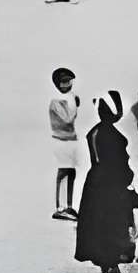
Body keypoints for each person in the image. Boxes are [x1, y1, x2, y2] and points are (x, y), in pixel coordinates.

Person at [74, 93, 137, 273]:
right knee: (113, 228)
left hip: (95, 184)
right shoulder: (114, 137)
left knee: (99, 227)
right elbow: (119, 165)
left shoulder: (94, 132)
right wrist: (128, 184)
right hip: (111, 186)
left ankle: (108, 269)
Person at [49, 67, 82, 219]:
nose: (68, 85)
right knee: (63, 172)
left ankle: (68, 206)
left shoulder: (68, 98)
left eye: (69, 81)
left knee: (71, 172)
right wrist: (75, 105)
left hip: (69, 139)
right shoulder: (57, 101)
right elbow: (67, 118)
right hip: (61, 140)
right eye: (64, 82)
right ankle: (61, 207)